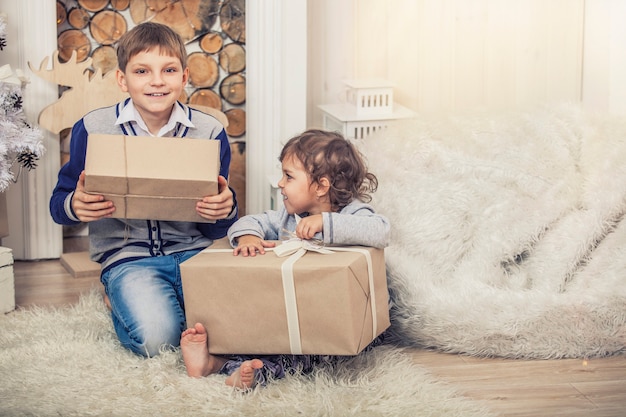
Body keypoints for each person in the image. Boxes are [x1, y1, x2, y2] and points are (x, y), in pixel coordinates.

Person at [49, 22, 238, 358]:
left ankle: (158, 301)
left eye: (169, 70)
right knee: (159, 340)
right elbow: (59, 202)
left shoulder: (209, 132)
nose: (156, 81)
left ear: (184, 77)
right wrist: (75, 206)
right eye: (142, 71)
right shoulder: (93, 128)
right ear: (123, 79)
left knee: (239, 329)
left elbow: (216, 223)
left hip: (195, 253)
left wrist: (225, 209)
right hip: (128, 258)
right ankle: (116, 296)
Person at [180, 129, 390, 389]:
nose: (280, 183)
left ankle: (249, 371)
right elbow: (249, 220)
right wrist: (248, 237)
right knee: (258, 331)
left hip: (337, 323)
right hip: (293, 316)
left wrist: (325, 223)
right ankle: (213, 360)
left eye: (288, 176)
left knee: (307, 353)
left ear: (322, 186)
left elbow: (380, 231)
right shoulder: (287, 218)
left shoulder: (354, 212)